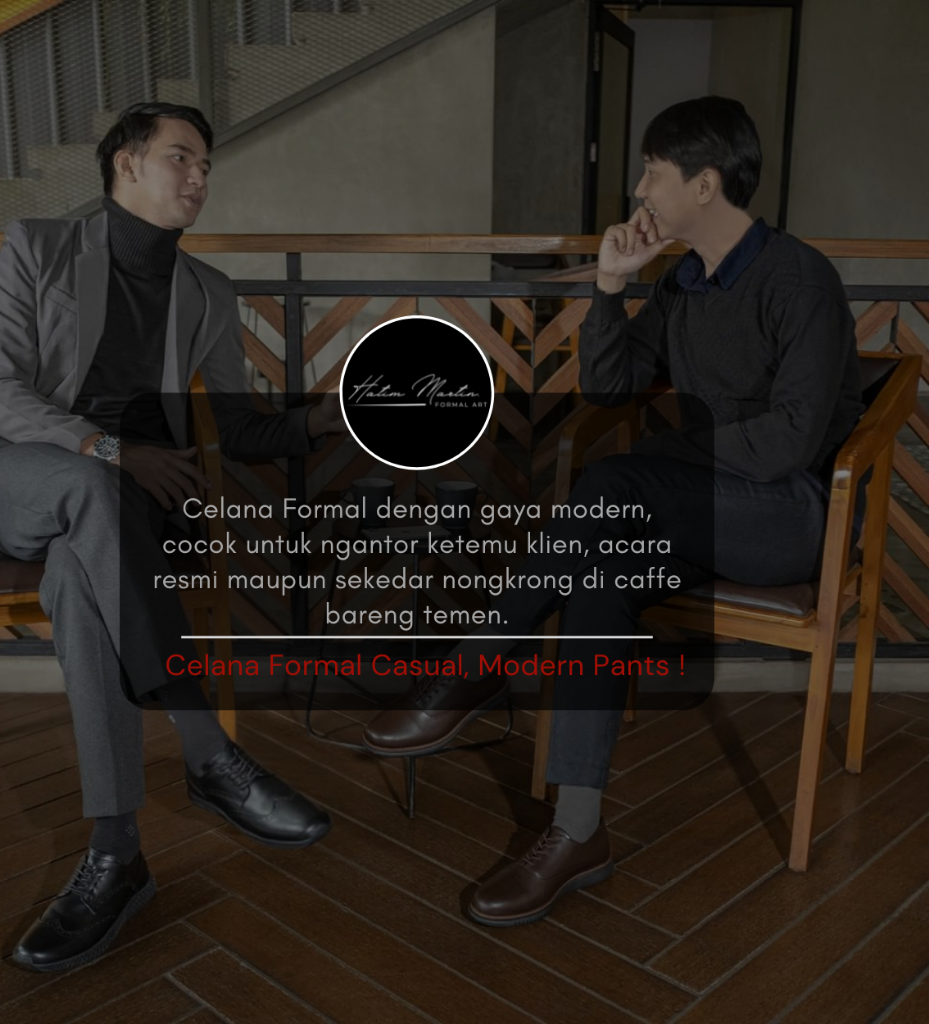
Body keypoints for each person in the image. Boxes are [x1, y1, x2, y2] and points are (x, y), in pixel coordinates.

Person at [361, 96, 863, 926]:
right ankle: (577, 829)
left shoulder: (799, 278)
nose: (639, 190)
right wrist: (609, 287)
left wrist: (668, 459)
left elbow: (787, 442)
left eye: (652, 172)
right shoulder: (682, 282)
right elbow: (608, 387)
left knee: (617, 483)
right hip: (699, 510)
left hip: (793, 519)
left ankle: (474, 666)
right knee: (601, 564)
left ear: (704, 184)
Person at [0, 102, 345, 971]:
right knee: (92, 487)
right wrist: (109, 448)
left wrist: (314, 421)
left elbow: (235, 427)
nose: (200, 177)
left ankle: (115, 852)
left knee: (77, 575)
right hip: (29, 476)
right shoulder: (41, 246)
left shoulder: (208, 292)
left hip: (127, 513)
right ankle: (208, 753)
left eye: (206, 165)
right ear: (126, 164)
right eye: (182, 158)